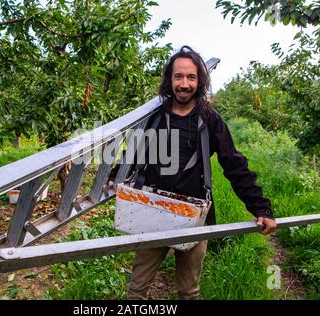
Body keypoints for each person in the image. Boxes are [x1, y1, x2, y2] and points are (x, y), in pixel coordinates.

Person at [109, 45, 277, 300]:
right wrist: (115, 174)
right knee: (137, 288)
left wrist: (261, 208)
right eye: (178, 77)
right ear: (170, 80)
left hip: (193, 215)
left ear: (199, 81)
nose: (184, 84)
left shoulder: (210, 120)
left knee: (189, 291)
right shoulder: (155, 117)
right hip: (153, 210)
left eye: (190, 77)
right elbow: (132, 153)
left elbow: (234, 164)